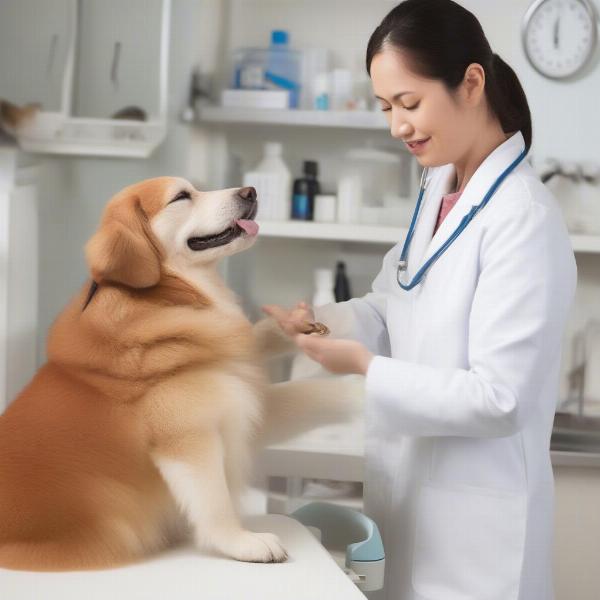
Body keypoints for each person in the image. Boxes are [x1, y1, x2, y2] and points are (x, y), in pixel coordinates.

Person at [263, 1, 577, 598]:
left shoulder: (523, 218)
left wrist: (363, 368)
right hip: (410, 506)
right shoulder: (437, 189)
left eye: (409, 104)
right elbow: (392, 305)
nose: (397, 127)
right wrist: (323, 324)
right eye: (387, 108)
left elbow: (500, 398)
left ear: (472, 83)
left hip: (478, 541)